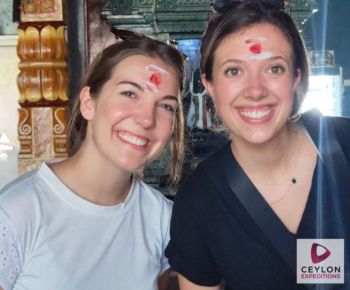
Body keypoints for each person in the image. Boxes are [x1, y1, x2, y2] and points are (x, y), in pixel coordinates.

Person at [165, 1, 350, 289]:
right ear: (209, 84)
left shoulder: (345, 145)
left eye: (274, 68)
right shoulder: (199, 201)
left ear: (296, 77)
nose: (255, 91)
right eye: (234, 72)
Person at [0, 32, 185, 290]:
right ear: (89, 103)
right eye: (130, 93)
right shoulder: (16, 213)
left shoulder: (162, 219)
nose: (146, 119)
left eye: (166, 106)